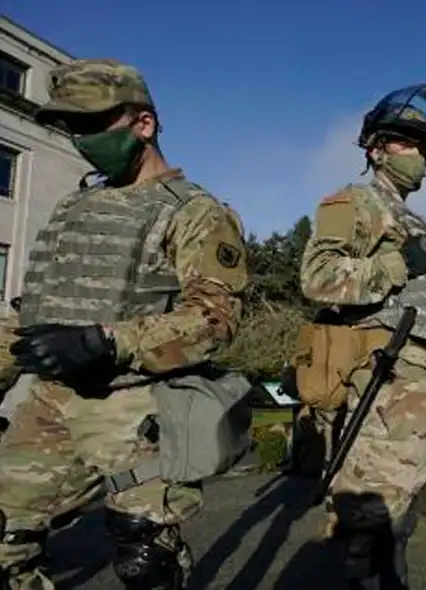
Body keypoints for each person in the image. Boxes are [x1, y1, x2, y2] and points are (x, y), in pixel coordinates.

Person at [0, 58, 249, 590]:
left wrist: (105, 342)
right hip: (44, 406)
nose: (81, 139)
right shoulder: (75, 206)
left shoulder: (195, 212)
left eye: (93, 125)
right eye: (72, 127)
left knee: (146, 561)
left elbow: (215, 319)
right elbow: (36, 312)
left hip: (135, 410)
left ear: (144, 124)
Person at [297, 79, 426, 589]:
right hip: (385, 373)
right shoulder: (355, 201)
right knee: (373, 504)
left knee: (398, 502)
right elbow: (318, 277)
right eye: (404, 141)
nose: (416, 153)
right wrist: (399, 263)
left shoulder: (415, 218)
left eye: (423, 147)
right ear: (374, 148)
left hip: (418, 377)